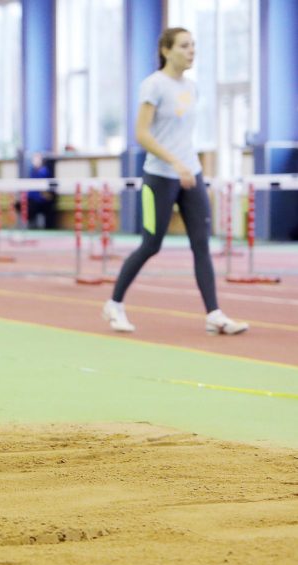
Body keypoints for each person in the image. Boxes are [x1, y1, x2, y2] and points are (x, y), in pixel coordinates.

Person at [103, 27, 247, 336]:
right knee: (150, 245)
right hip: (159, 177)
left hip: (190, 173)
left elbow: (183, 135)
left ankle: (214, 314)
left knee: (201, 244)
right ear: (166, 50)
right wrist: (174, 162)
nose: (191, 50)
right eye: (184, 45)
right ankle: (114, 304)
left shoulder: (193, 88)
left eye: (193, 45)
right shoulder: (153, 86)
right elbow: (141, 134)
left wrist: (187, 165)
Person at [23, 152, 56, 229]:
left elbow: (46, 190)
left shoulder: (44, 171)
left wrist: (45, 196)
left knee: (36, 204)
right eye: (34, 160)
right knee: (23, 203)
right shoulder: (32, 171)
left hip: (41, 199)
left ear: (41, 160)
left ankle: (41, 225)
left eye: (37, 159)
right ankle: (30, 224)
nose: (35, 161)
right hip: (32, 198)